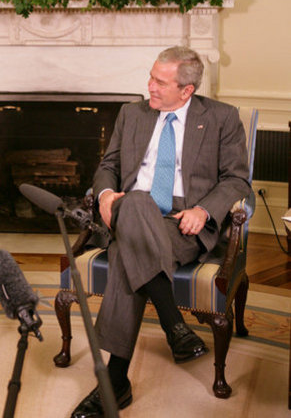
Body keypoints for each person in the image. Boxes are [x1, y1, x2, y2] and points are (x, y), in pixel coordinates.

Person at [71, 47, 251, 417]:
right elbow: (109, 164)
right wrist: (105, 196)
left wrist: (204, 210)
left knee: (126, 251)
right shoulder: (132, 113)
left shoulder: (221, 117)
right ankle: (175, 327)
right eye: (151, 77)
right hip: (128, 209)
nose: (149, 87)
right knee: (135, 203)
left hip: (181, 223)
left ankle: (115, 383)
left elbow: (236, 179)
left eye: (160, 82)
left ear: (186, 90)